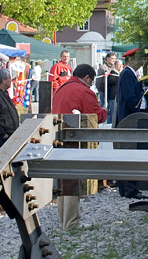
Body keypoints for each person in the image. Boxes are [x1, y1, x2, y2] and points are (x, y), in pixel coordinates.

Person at [52, 64, 105, 230]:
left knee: (62, 182)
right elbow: (97, 115)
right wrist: (105, 111)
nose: (91, 84)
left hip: (58, 137)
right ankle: (71, 223)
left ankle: (63, 220)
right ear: (87, 77)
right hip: (75, 140)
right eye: (91, 80)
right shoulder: (83, 91)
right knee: (72, 182)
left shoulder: (61, 88)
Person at [114, 48, 148, 199]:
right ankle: (130, 189)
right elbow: (130, 98)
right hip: (129, 118)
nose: (141, 62)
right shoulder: (127, 74)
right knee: (129, 153)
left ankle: (126, 188)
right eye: (139, 59)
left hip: (128, 116)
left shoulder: (129, 74)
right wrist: (139, 108)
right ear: (131, 60)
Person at [96, 52, 119, 124]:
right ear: (107, 59)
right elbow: (98, 80)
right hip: (103, 90)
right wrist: (100, 90)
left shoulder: (114, 67)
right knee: (103, 106)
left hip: (111, 91)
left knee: (111, 108)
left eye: (114, 59)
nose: (113, 60)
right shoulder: (103, 67)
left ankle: (109, 123)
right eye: (112, 58)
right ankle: (101, 122)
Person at [0, 68, 19, 147]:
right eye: (9, 78)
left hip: (11, 134)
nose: (11, 81)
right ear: (3, 80)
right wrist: (2, 133)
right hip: (3, 137)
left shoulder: (5, 94)